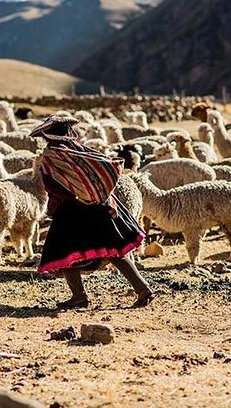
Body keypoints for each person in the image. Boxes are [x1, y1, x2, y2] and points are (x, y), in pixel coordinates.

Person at [29, 114, 154, 309]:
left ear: (48, 135)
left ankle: (79, 296)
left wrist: (54, 206)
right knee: (115, 250)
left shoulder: (52, 156)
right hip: (100, 205)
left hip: (71, 211)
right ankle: (142, 288)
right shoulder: (81, 150)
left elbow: (54, 186)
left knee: (64, 252)